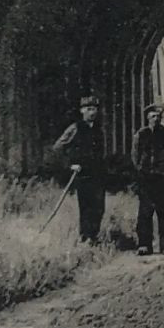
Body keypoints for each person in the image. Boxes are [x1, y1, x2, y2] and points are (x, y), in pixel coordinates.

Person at [54, 94, 107, 245]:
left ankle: (93, 238)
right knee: (86, 208)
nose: (93, 112)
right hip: (83, 175)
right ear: (82, 111)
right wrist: (70, 165)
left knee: (99, 208)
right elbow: (58, 148)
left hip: (98, 175)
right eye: (89, 109)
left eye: (95, 109)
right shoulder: (75, 128)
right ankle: (85, 239)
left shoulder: (98, 129)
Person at [132, 101, 164, 256]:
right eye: (152, 116)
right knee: (145, 212)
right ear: (147, 117)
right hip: (146, 179)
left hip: (163, 179)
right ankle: (144, 245)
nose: (155, 119)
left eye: (158, 116)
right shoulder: (140, 135)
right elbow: (134, 156)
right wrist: (141, 170)